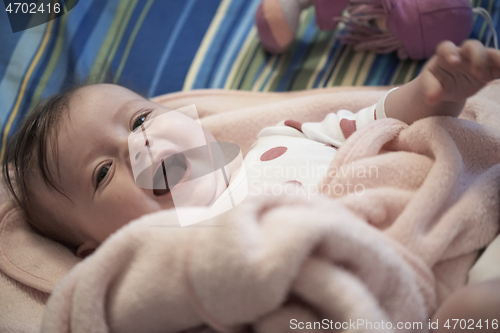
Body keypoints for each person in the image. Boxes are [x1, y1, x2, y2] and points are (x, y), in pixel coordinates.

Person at [3, 40, 500, 321]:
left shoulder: (276, 140)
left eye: (138, 122)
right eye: (104, 172)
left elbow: (379, 116)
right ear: (101, 247)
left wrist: (433, 92)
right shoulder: (176, 254)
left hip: (443, 234)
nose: (142, 149)